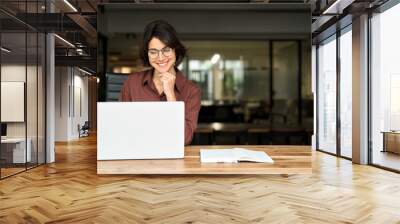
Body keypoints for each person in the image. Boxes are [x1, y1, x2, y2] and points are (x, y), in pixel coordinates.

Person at [120, 20, 201, 145]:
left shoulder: (191, 91)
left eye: (166, 50)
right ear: (147, 54)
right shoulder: (132, 83)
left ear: (175, 51)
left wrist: (171, 96)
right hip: (138, 156)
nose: (161, 58)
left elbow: (185, 139)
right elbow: (120, 129)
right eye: (153, 52)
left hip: (174, 160)